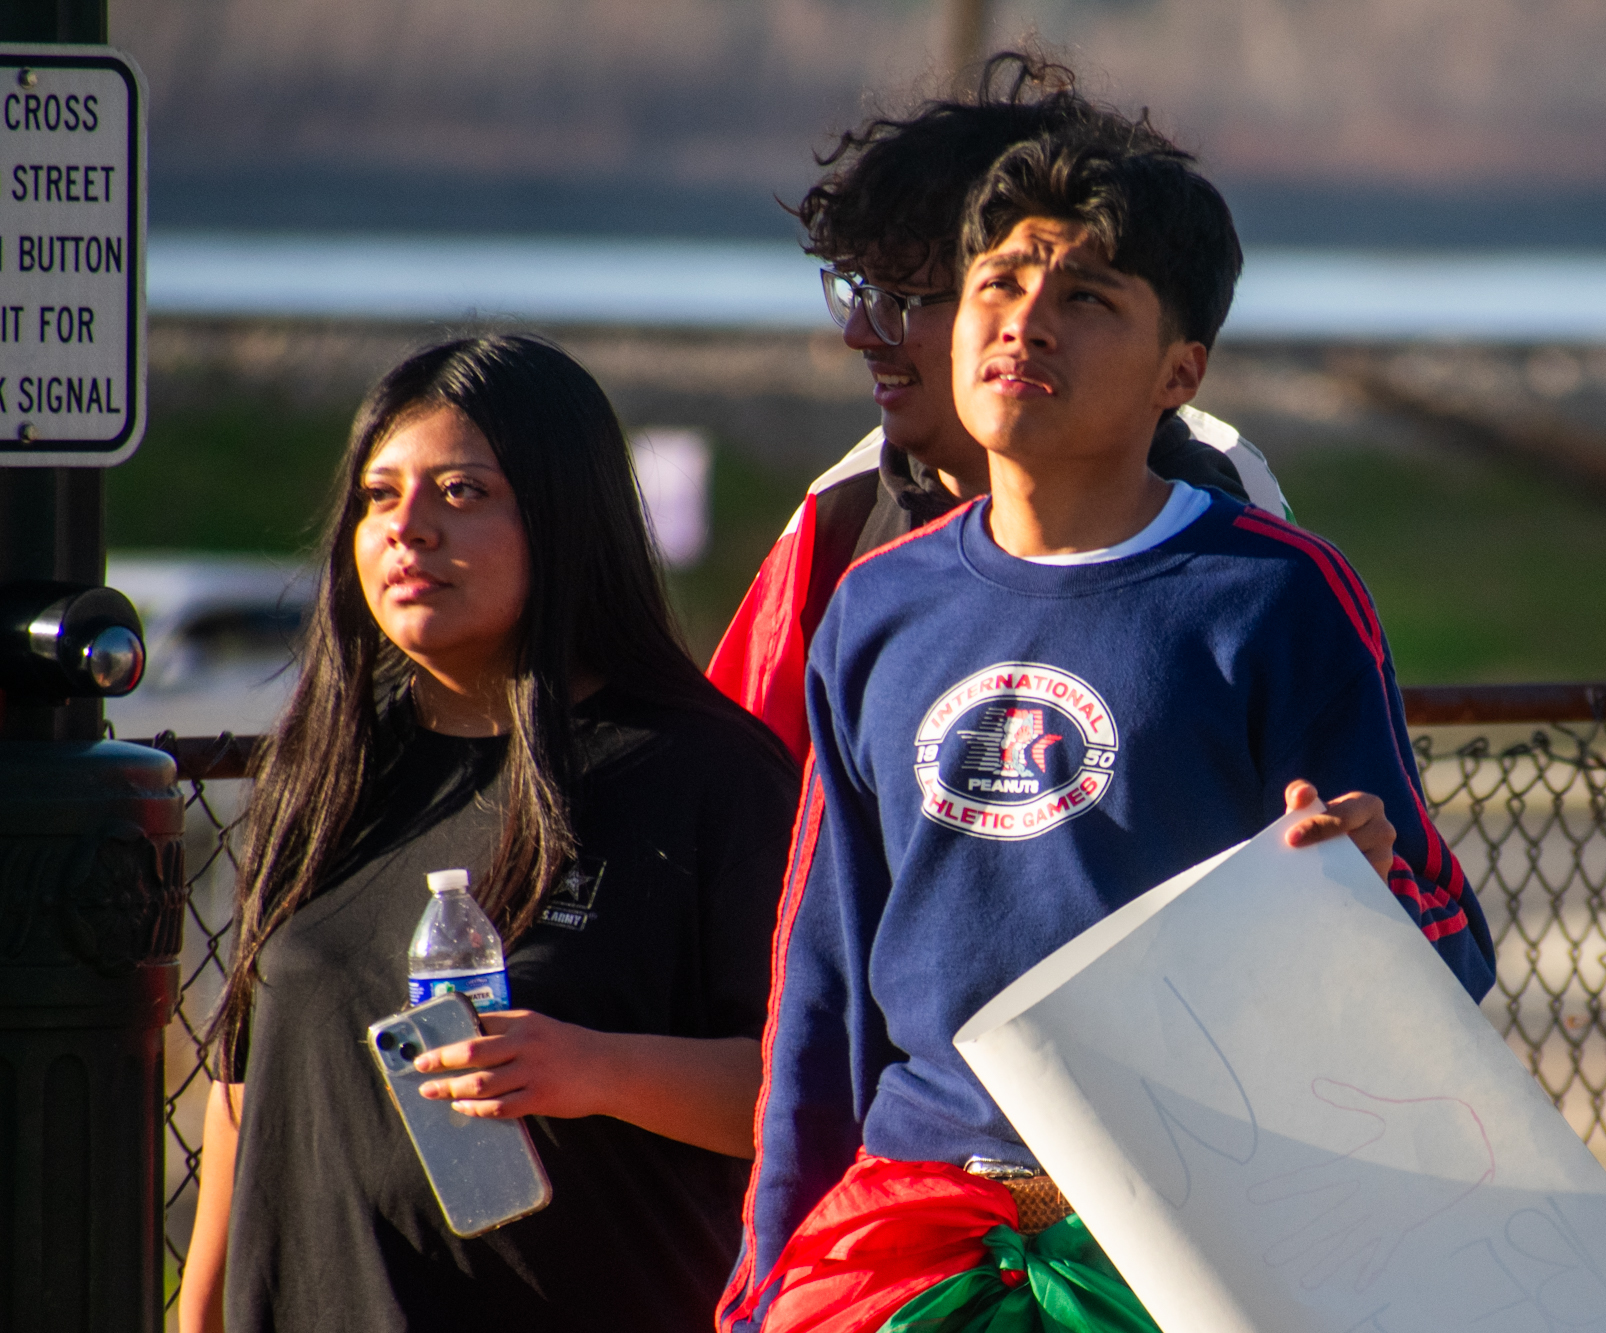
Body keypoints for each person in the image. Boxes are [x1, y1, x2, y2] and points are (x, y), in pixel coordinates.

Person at [718, 122, 1498, 1333]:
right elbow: (818, 986)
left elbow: (1452, 950)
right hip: (905, 1242)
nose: (1023, 321)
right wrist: (768, 1277)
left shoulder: (1272, 593)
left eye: (1084, 298)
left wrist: (1366, 887)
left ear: (1177, 372)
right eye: (997, 284)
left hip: (1180, 1239)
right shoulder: (874, 606)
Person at [178, 335, 799, 1333]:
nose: (406, 530)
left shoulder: (702, 774)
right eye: (379, 496)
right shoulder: (331, 765)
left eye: (461, 493)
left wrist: (591, 1066)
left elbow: (800, 1088)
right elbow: (248, 1096)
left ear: (565, 518)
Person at [706, 52, 1291, 761]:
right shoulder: (841, 521)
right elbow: (748, 808)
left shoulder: (1241, 535)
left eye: (904, 301)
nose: (861, 333)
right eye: (860, 292)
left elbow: (1347, 839)